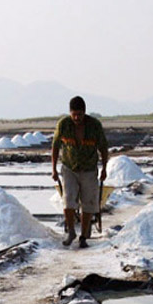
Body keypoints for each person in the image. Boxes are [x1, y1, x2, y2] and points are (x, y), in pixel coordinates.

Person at [51, 96, 109, 248]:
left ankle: (83, 236)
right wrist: (53, 170)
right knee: (68, 200)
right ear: (70, 113)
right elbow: (55, 147)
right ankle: (71, 232)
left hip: (89, 169)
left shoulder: (94, 125)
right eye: (74, 114)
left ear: (85, 112)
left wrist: (104, 169)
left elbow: (103, 147)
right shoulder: (63, 124)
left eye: (80, 114)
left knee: (88, 203)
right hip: (69, 168)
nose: (77, 118)